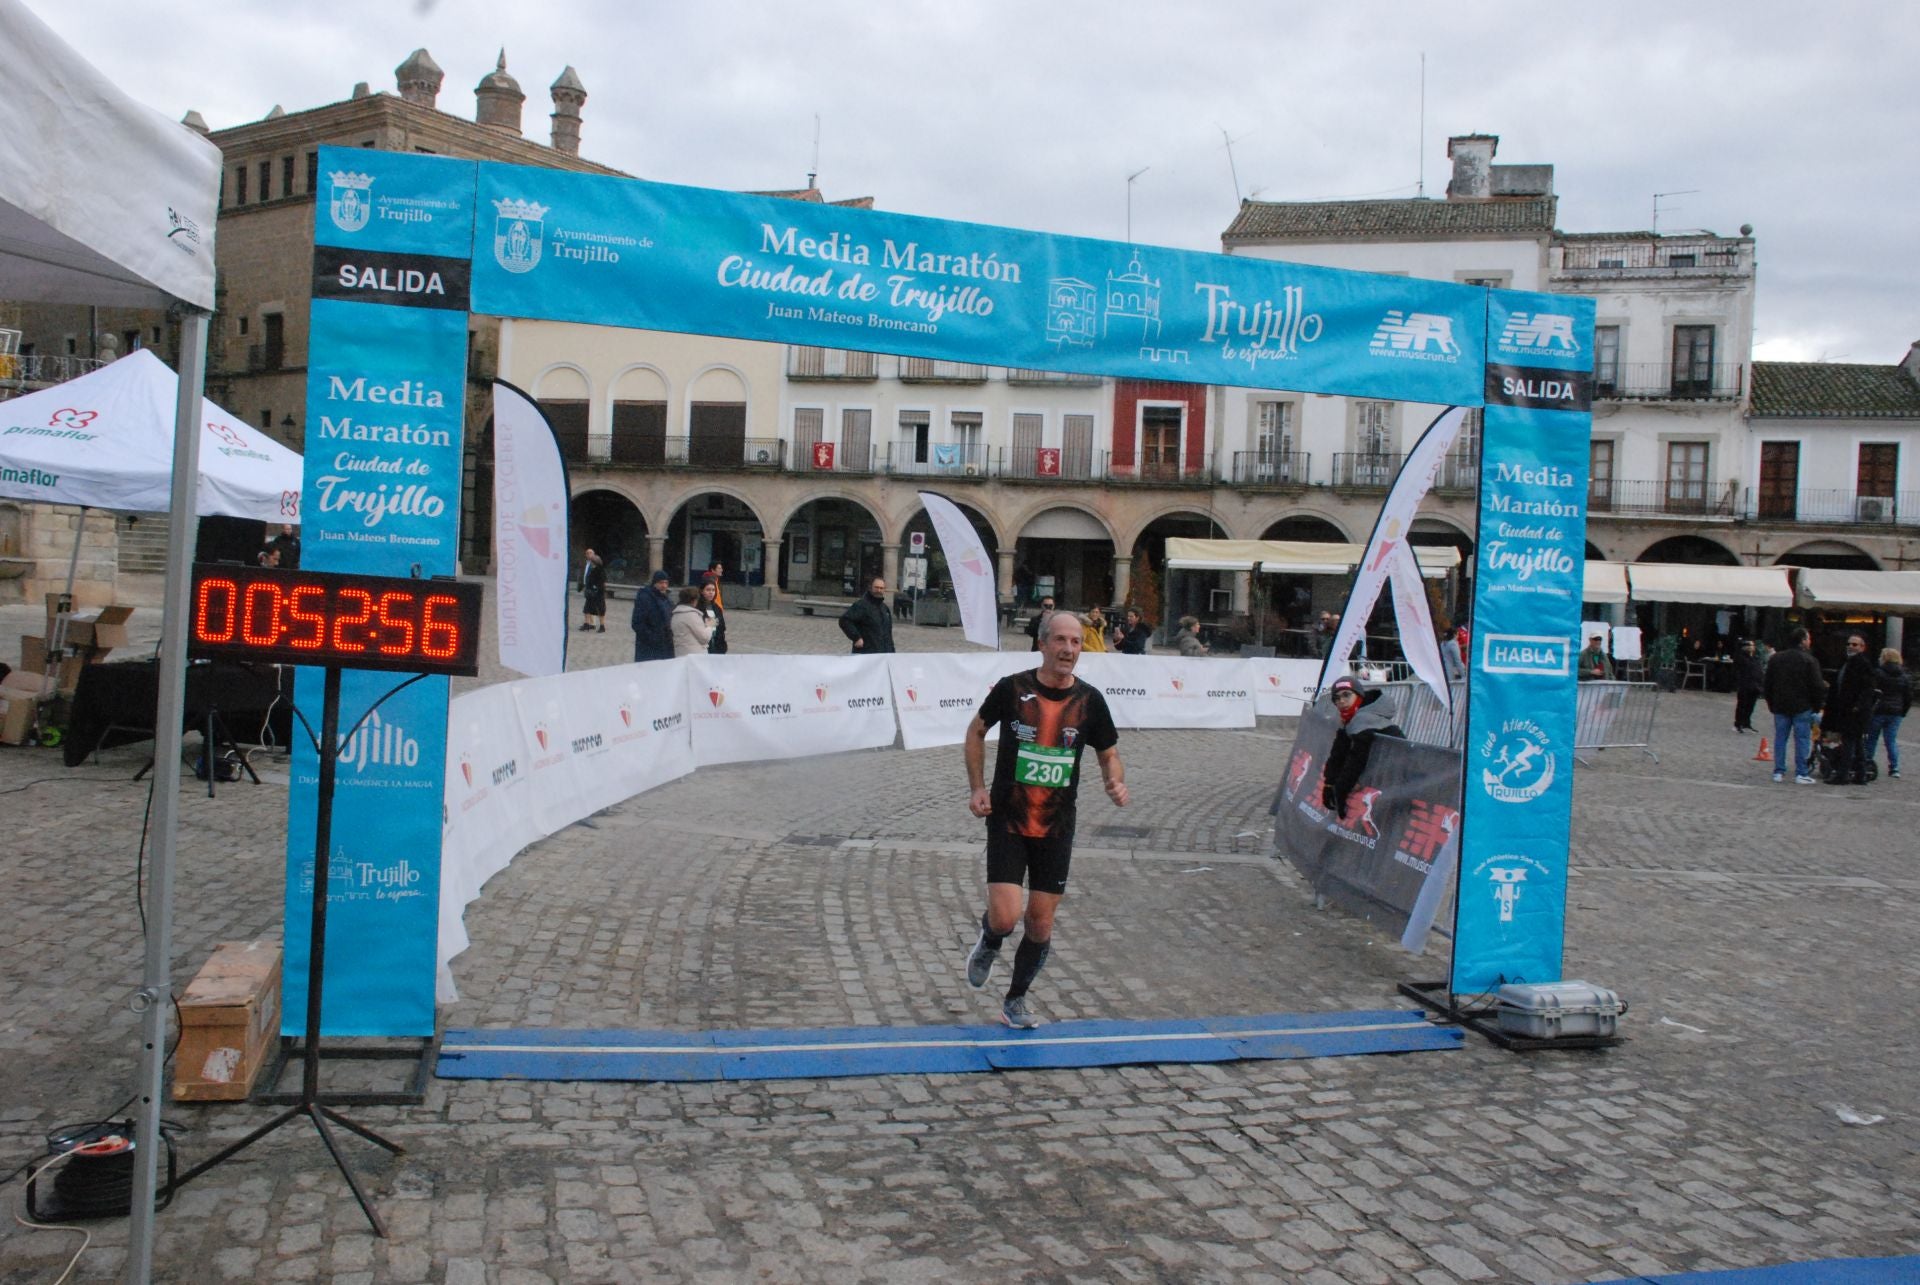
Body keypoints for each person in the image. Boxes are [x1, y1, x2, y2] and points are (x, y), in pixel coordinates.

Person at [962, 612, 1127, 1028]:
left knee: (1039, 923)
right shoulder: (1012, 688)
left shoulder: (1090, 701)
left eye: (1075, 642)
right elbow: (976, 732)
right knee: (1005, 916)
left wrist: (1115, 782)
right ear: (1042, 644)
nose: (1069, 649)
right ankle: (991, 938)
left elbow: (1109, 754)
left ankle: (1015, 1000)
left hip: (1055, 827)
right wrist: (977, 787)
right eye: (1060, 640)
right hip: (1009, 820)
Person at [1320, 676, 1404, 823]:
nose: (1341, 701)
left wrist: (1340, 788)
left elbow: (1357, 758)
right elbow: (1338, 752)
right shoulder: (1350, 718)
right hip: (1384, 777)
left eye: (1347, 695)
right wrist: (1329, 783)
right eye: (1336, 698)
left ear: (1359, 695)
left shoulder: (1363, 718)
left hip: (1398, 779)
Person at [1763, 627, 1825, 784]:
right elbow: (1817, 686)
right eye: (1808, 638)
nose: (1810, 642)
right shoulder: (1809, 660)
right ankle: (1801, 772)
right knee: (1802, 739)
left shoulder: (1776, 659)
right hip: (1802, 706)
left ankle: (1778, 771)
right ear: (1803, 641)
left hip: (1780, 705)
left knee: (1780, 739)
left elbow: (1768, 683)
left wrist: (1771, 702)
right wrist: (1817, 706)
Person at [1824, 634, 1878, 785]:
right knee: (1857, 742)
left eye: (1855, 644)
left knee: (1848, 742)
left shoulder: (1863, 664)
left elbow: (1868, 688)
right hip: (1846, 709)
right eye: (1849, 644)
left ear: (1862, 647)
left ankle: (1843, 774)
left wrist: (1858, 705)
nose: (1850, 646)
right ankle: (1860, 774)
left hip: (1854, 711)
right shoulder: (1847, 662)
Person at [1867, 647, 1910, 779]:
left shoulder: (1878, 673)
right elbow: (1908, 696)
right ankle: (1894, 767)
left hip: (1879, 710)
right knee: (1891, 740)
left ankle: (1867, 762)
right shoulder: (1903, 676)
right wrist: (1903, 711)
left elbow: (1871, 692)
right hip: (1895, 712)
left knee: (1872, 738)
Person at [838, 576, 895, 654]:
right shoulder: (861, 605)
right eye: (876, 587)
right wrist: (856, 638)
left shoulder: (885, 609)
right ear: (871, 588)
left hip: (883, 655)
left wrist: (892, 653)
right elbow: (844, 620)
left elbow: (888, 634)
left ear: (884, 590)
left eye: (881, 588)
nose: (879, 590)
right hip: (866, 654)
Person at [630, 569, 675, 662]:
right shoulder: (644, 598)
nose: (664, 586)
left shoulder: (667, 600)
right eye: (661, 583)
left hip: (665, 646)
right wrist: (653, 638)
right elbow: (637, 623)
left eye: (666, 583)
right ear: (654, 583)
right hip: (648, 648)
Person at [669, 585, 713, 658]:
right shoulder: (692, 615)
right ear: (694, 600)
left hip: (680, 654)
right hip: (695, 657)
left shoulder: (675, 614)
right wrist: (711, 624)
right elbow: (704, 638)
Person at [1731, 639, 1764, 732]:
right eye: (1750, 646)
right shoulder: (1740, 658)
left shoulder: (1755, 658)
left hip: (1755, 685)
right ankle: (1738, 723)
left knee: (1751, 705)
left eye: (1753, 646)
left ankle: (1746, 722)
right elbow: (1738, 671)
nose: (1752, 648)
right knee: (1742, 705)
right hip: (1745, 685)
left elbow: (1758, 670)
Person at [579, 548, 607, 632]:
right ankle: (587, 624)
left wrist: (596, 588)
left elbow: (602, 582)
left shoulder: (599, 571)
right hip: (591, 592)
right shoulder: (593, 569)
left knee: (600, 609)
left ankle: (601, 626)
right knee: (587, 609)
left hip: (597, 593)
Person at [698, 576, 727, 654]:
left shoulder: (716, 607)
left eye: (713, 590)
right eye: (708, 590)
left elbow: (721, 627)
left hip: (717, 643)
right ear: (701, 591)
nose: (711, 592)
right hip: (704, 644)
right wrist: (712, 623)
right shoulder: (698, 607)